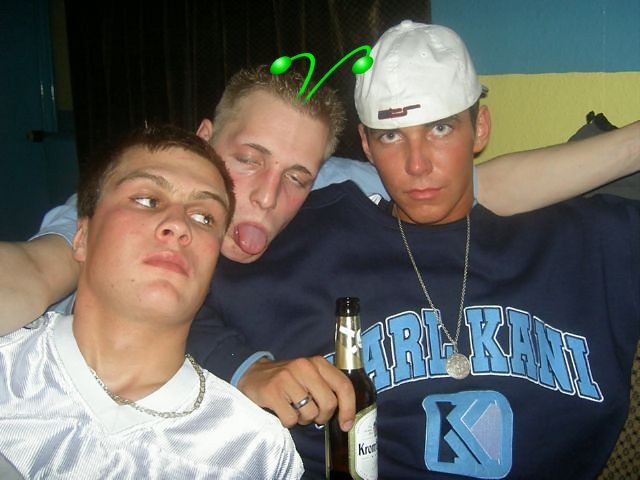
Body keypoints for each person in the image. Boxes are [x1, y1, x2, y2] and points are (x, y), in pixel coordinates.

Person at [1, 63, 639, 420]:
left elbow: (480, 186)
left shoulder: (329, 185)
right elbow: (35, 270)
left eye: (296, 176)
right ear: (205, 139)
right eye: (247, 159)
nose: (266, 195)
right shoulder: (139, 202)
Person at [188, 21, 640, 479]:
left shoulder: (590, 236)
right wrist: (244, 367)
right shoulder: (275, 234)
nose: (417, 165)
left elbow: (490, 184)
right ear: (367, 145)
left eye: (441, 128)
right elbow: (153, 296)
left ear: (479, 128)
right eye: (391, 135)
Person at [0, 125, 304, 479]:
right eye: (147, 200)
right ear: (81, 237)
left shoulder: (254, 451)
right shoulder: (10, 371)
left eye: (203, 217)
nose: (178, 225)